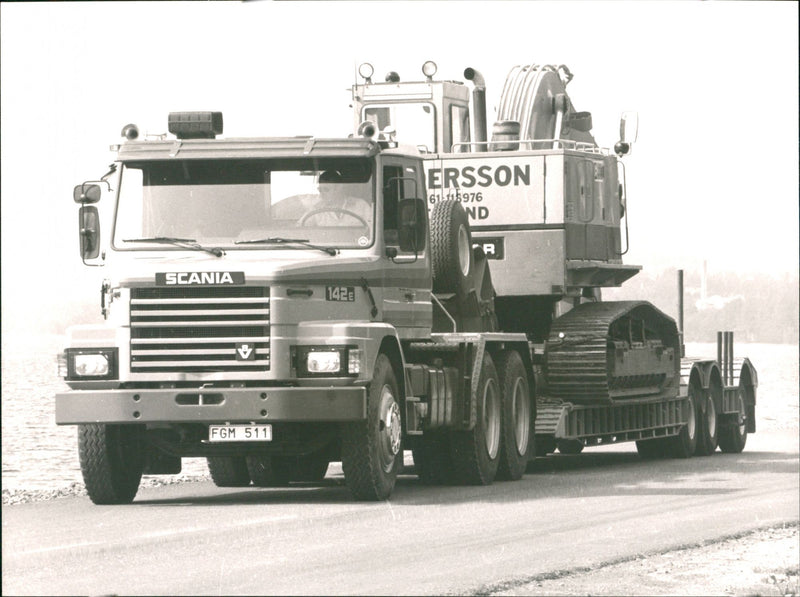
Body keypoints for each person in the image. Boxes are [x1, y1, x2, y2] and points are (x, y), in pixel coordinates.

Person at [300, 170, 372, 227]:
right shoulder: (316, 209)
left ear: (339, 188)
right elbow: (300, 228)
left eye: (326, 190)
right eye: (320, 190)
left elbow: (372, 229)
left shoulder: (360, 205)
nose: (321, 193)